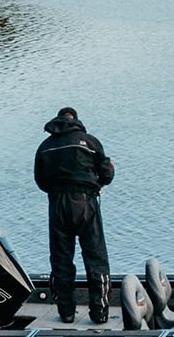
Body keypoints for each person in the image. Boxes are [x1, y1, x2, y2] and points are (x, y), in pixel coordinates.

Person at [34, 107, 115, 324]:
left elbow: (40, 181)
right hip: (86, 202)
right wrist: (98, 180)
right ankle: (99, 313)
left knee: (61, 259)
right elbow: (107, 173)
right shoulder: (89, 142)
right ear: (76, 120)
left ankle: (66, 313)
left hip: (57, 205)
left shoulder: (45, 147)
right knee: (96, 258)